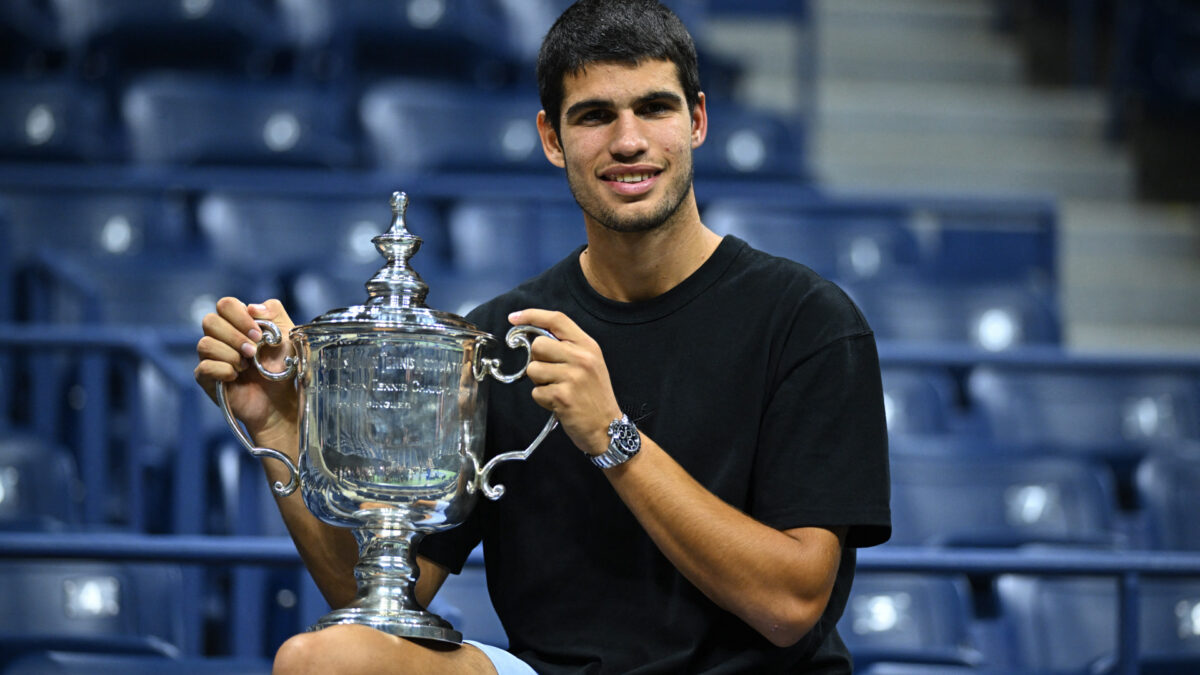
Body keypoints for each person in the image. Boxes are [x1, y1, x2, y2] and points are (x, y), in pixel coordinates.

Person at [194, 1, 891, 672]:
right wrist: (281, 426)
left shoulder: (810, 320)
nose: (628, 141)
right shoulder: (498, 339)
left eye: (654, 107)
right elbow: (373, 599)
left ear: (698, 120)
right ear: (552, 138)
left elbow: (792, 602)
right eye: (595, 116)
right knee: (325, 661)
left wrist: (612, 437)